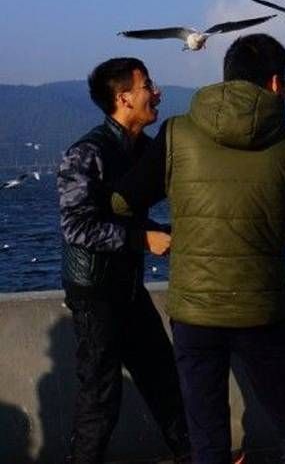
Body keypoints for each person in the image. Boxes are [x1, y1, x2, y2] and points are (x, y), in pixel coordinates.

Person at [112, 34, 285, 464]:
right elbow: (284, 231)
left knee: (207, 439)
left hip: (195, 314)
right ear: (273, 84)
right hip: (260, 311)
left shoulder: (176, 132)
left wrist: (176, 230)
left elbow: (121, 202)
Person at [57, 58, 191, 464]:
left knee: (165, 381)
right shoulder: (86, 154)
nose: (157, 93)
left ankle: (199, 456)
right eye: (148, 85)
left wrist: (161, 231)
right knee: (100, 398)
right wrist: (141, 238)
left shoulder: (146, 151)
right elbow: (76, 227)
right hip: (95, 295)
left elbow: (131, 214)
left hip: (128, 288)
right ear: (125, 98)